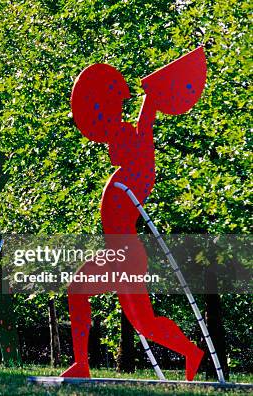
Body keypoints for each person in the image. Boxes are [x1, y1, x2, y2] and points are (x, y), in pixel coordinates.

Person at [63, 63, 204, 380]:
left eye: (117, 142)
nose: (111, 145)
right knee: (145, 323)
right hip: (122, 253)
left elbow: (145, 129)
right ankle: (192, 352)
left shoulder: (136, 177)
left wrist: (151, 99)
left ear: (129, 147)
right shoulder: (123, 176)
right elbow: (137, 128)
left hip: (124, 253)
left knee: (78, 290)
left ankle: (82, 366)